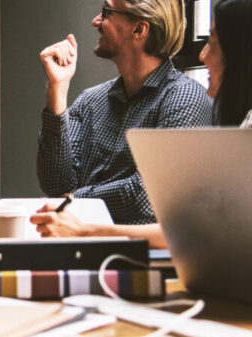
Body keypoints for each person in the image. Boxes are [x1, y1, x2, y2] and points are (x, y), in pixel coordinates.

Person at [31, 0, 252, 249]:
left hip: (142, 257)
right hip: (80, 249)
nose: (96, 21)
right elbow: (54, 184)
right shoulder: (91, 100)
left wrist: (73, 200)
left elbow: (147, 197)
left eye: (106, 12)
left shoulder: (185, 98)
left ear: (139, 29)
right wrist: (57, 89)